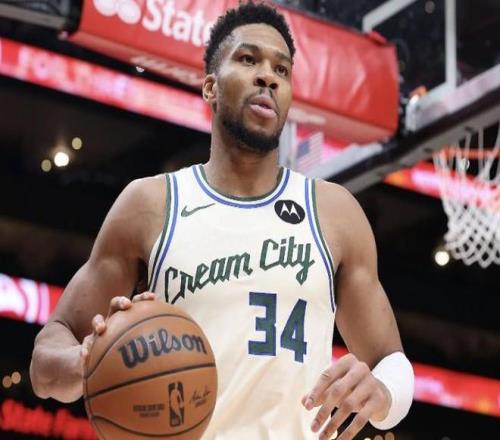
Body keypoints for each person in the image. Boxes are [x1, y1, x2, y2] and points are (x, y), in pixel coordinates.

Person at [30, 2, 414, 439]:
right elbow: (46, 360)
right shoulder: (151, 204)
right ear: (210, 87)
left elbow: (393, 363)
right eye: (248, 60)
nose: (268, 77)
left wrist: (382, 393)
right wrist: (88, 360)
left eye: (282, 70)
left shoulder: (334, 213)